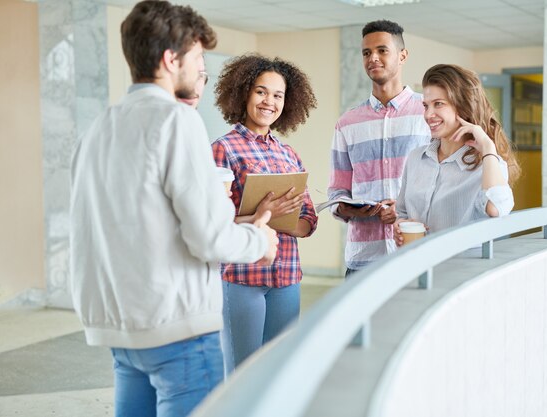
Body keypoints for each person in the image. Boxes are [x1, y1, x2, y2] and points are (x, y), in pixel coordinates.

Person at [69, 2, 278, 417]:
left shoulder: (98, 127)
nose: (202, 70)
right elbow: (209, 237)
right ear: (171, 60)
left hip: (121, 330)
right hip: (177, 331)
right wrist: (260, 239)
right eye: (198, 59)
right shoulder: (176, 121)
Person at [211, 54, 318, 374]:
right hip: (241, 277)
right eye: (261, 91)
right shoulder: (223, 149)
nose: (269, 101)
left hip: (286, 277)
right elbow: (211, 219)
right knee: (243, 373)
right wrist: (263, 214)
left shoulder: (289, 154)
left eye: (278, 95)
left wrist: (287, 217)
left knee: (279, 371)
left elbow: (308, 219)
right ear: (243, 92)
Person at [328, 19, 431, 275]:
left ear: (403, 55)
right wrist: (351, 208)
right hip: (363, 259)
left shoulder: (428, 113)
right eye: (366, 52)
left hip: (415, 252)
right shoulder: (347, 123)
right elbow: (337, 192)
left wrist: (403, 207)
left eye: (382, 50)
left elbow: (441, 183)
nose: (373, 58)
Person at [394, 63, 521, 246]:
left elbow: (497, 208)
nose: (429, 114)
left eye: (438, 104)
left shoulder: (488, 164)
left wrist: (487, 146)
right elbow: (402, 213)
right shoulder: (416, 158)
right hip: (417, 268)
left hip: (461, 271)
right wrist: (399, 226)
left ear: (462, 107)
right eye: (425, 105)